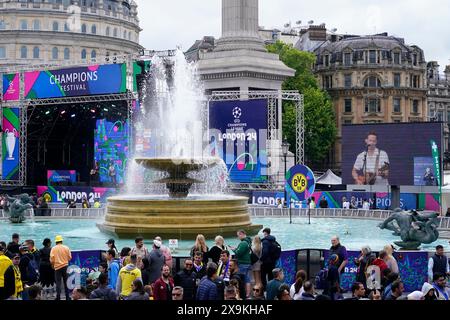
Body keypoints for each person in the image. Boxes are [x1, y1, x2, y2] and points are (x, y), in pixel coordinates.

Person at [230, 230, 252, 298]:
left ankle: (242, 294)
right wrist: (237, 249)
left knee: (241, 280)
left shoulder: (243, 243)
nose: (238, 237)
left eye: (238, 235)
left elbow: (238, 253)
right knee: (247, 279)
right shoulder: (248, 242)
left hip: (243, 263)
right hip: (248, 263)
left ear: (242, 234)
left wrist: (233, 249)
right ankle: (248, 294)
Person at [50, 235, 72, 300]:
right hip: (65, 266)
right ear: (61, 241)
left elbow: (51, 259)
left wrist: (53, 265)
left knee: (58, 283)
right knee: (66, 282)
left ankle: (58, 297)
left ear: (56, 242)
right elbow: (70, 257)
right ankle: (67, 297)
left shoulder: (53, 248)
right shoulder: (66, 247)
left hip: (57, 268)